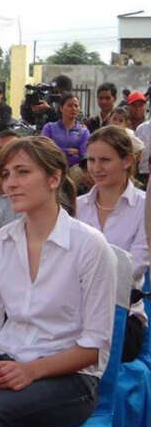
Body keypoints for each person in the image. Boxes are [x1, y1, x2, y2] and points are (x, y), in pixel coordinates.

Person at [0, 136, 116, 427]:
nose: (11, 184)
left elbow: (93, 347)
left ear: (54, 179)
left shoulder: (90, 246)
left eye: (23, 172)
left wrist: (31, 371)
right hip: (9, 362)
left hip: (71, 379)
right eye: (6, 174)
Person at [78, 127, 147, 362]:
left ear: (127, 160)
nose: (96, 168)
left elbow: (135, 266)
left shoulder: (144, 206)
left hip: (122, 314)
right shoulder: (77, 206)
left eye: (105, 160)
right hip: (75, 311)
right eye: (92, 160)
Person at [41, 92, 89, 167]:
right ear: (61, 108)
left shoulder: (83, 131)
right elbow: (45, 150)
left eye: (76, 106)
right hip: (53, 167)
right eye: (70, 105)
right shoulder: (49, 128)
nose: (74, 108)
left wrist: (58, 150)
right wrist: (66, 151)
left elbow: (84, 155)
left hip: (75, 171)